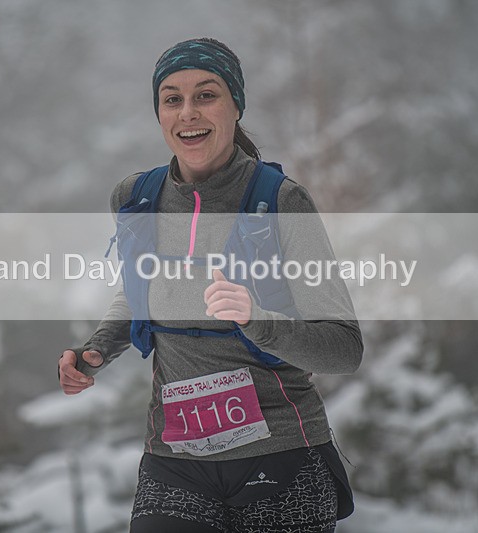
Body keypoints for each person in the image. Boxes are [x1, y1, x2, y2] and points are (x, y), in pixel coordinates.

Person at [58, 37, 363, 533]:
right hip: (175, 460)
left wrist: (255, 319)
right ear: (158, 112)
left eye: (206, 94)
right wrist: (94, 352)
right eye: (172, 98)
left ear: (235, 105)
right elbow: (137, 292)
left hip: (281, 456)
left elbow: (345, 350)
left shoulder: (280, 201)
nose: (188, 113)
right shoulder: (136, 197)